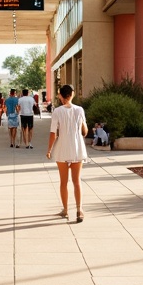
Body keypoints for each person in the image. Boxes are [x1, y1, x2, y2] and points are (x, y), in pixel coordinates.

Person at [46, 83, 88, 221]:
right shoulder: (80, 110)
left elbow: (54, 133)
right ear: (72, 94)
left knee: (63, 182)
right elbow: (85, 132)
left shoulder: (57, 111)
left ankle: (65, 209)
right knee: (77, 181)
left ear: (61, 96)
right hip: (77, 148)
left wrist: (49, 149)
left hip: (62, 149)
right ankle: (79, 210)